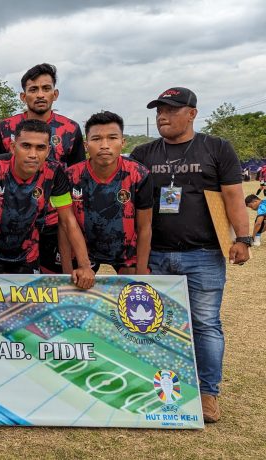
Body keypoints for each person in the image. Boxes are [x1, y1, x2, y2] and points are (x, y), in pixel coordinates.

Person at [131, 87, 251, 423]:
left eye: (171, 110)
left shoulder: (217, 148)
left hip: (204, 254)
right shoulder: (143, 153)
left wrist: (243, 238)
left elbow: (233, 195)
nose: (162, 116)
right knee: (151, 325)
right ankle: (154, 387)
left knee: (205, 324)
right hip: (155, 255)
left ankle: (207, 393)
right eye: (159, 111)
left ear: (192, 113)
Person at [0, 119, 94, 289]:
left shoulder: (55, 172)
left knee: (26, 304)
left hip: (28, 255)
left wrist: (84, 266)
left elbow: (68, 220)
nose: (33, 154)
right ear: (13, 147)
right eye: (26, 146)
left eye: (40, 148)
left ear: (48, 150)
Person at [0, 63, 86, 275]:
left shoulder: (70, 129)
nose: (40, 94)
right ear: (23, 96)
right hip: (12, 223)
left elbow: (78, 177)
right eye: (33, 89)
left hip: (54, 223)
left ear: (55, 94)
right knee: (11, 287)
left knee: (53, 285)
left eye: (46, 88)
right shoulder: (5, 128)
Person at [61, 111, 153, 274]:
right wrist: (67, 271)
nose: (104, 145)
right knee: (79, 288)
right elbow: (64, 225)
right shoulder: (70, 176)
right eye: (96, 139)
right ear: (86, 145)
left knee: (130, 287)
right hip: (84, 252)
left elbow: (144, 227)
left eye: (112, 138)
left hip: (126, 252)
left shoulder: (139, 174)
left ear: (122, 142)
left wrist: (141, 275)